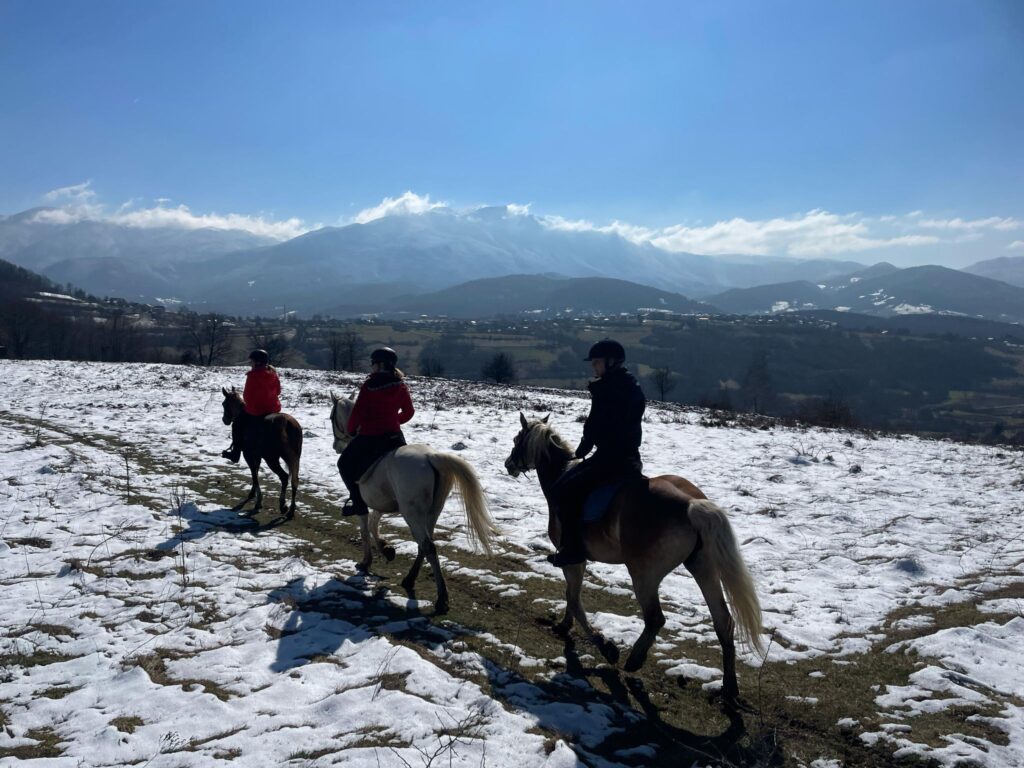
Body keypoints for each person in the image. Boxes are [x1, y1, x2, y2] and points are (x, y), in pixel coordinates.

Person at [548, 339, 646, 567]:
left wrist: (583, 448)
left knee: (562, 491)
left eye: (597, 362)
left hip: (609, 459)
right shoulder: (633, 386)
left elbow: (594, 425)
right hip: (631, 458)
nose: (594, 366)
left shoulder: (606, 389)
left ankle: (572, 550)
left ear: (611, 362)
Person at [339, 347, 415, 516]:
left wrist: (351, 430)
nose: (371, 366)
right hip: (394, 437)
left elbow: (358, 411)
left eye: (372, 363)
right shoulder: (401, 385)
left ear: (380, 365)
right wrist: (395, 420)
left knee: (344, 464)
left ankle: (358, 504)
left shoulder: (369, 386)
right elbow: (409, 412)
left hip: (370, 437)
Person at [222, 349, 282, 463]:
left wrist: (249, 405)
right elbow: (278, 391)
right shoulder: (274, 374)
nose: (251, 363)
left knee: (237, 425)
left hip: (257, 411)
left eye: (252, 361)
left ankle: (235, 454)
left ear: (257, 362)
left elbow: (247, 396)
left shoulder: (253, 375)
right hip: (274, 409)